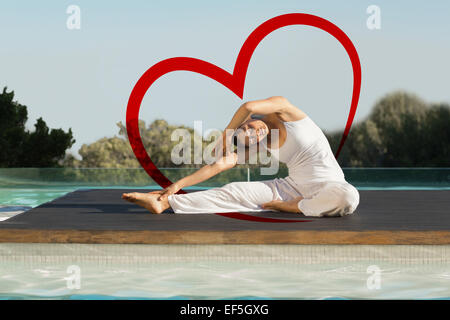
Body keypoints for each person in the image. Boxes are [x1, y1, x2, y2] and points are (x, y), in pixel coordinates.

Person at [122, 96, 359, 217]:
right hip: (292, 187)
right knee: (233, 190)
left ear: (251, 119)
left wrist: (225, 136)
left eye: (249, 128)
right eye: (249, 137)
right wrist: (176, 186)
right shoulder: (263, 142)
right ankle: (163, 204)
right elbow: (219, 165)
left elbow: (246, 106)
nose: (255, 134)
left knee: (348, 197)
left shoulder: (284, 109)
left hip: (330, 185)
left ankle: (292, 208)